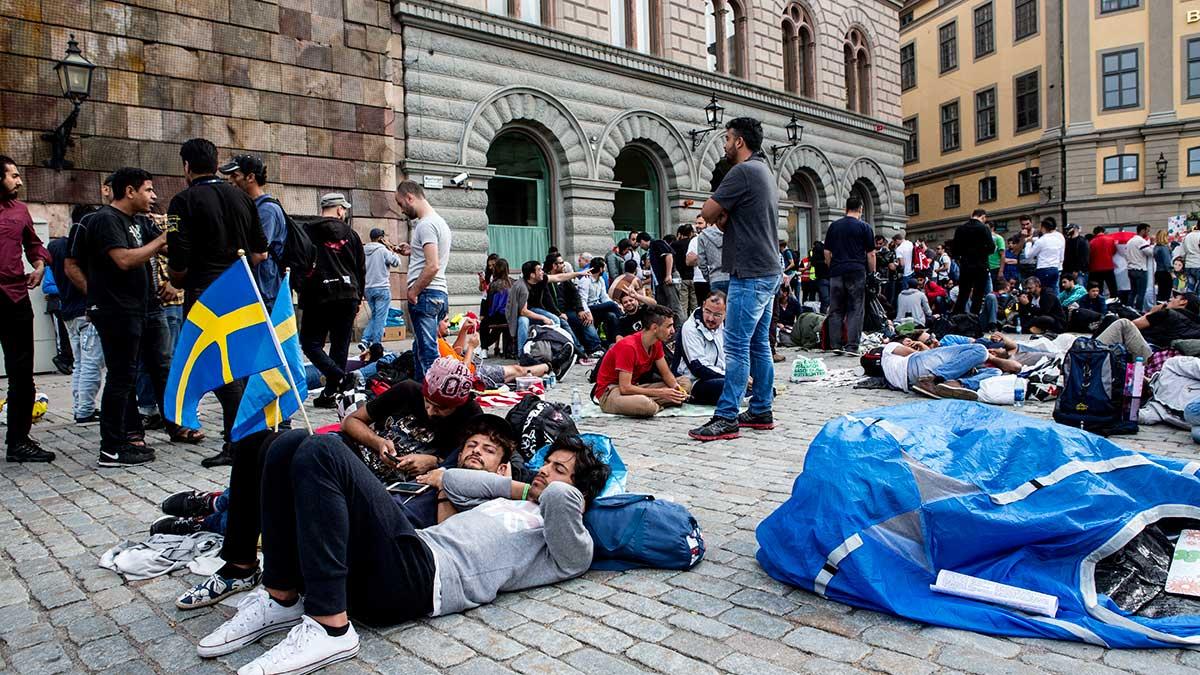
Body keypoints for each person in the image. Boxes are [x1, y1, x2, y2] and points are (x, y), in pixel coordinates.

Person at [196, 430, 608, 674]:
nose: (543, 471)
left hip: (420, 581)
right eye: (547, 462)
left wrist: (561, 490)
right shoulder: (518, 501)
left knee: (325, 450)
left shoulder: (570, 546)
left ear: (579, 493)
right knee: (282, 444)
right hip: (406, 551)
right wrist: (519, 488)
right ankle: (281, 596)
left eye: (558, 469)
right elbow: (453, 480)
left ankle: (331, 630)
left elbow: (561, 500)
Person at [167, 138, 269, 467]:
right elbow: (261, 252)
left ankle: (238, 442)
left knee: (221, 371)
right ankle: (249, 436)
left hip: (205, 295)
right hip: (241, 290)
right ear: (215, 163)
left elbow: (178, 263)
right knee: (241, 365)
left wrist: (179, 277)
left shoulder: (180, 202)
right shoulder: (242, 197)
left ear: (186, 166)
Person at [690, 117, 779, 442]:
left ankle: (727, 416)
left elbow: (708, 212)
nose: (725, 144)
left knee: (738, 344)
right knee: (759, 344)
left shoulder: (741, 172)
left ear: (739, 141)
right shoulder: (763, 171)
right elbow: (731, 223)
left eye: (727, 138)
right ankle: (761, 409)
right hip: (768, 269)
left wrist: (720, 212)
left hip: (751, 272)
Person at [84, 168, 173, 467]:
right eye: (148, 190)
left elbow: (167, 243)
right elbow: (123, 259)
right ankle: (111, 448)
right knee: (120, 379)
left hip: (133, 309)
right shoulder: (105, 220)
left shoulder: (136, 222)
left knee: (126, 377)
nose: (154, 196)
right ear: (130, 191)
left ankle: (120, 441)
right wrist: (158, 242)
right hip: (115, 311)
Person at [0, 155, 52, 462]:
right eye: (13, 176)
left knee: (21, 373)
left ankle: (18, 441)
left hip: (15, 297)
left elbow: (33, 245)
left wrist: (40, 264)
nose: (19, 181)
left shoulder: (20, 211)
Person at [301, 194, 366, 409]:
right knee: (340, 346)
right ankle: (337, 381)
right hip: (347, 294)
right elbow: (360, 268)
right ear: (339, 210)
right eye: (344, 210)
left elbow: (299, 261)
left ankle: (332, 389)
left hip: (317, 294)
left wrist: (299, 287)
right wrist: (358, 296)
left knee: (311, 343)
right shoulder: (352, 234)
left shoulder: (307, 231)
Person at [394, 180, 452, 383]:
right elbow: (432, 257)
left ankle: (435, 402)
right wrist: (413, 250)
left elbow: (432, 265)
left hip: (427, 294)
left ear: (410, 197)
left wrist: (413, 291)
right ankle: (420, 396)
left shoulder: (425, 224)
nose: (402, 210)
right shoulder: (439, 222)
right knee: (421, 349)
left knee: (428, 354)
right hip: (437, 294)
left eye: (401, 204)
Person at [593, 305, 691, 417]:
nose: (673, 331)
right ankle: (654, 404)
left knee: (685, 383)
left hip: (635, 388)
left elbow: (666, 374)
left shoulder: (656, 343)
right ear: (654, 327)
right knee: (646, 406)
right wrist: (662, 393)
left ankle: (655, 402)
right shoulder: (628, 346)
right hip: (611, 392)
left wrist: (676, 388)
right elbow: (625, 388)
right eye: (669, 326)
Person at [219, 155, 286, 309]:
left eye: (235, 175)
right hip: (253, 288)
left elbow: (259, 253)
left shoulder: (267, 210)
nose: (230, 180)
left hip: (263, 290)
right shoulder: (250, 206)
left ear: (250, 177)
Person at [862, 338, 1020, 401]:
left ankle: (956, 384)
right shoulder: (888, 348)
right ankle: (940, 379)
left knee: (995, 372)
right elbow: (915, 354)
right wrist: (923, 347)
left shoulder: (891, 373)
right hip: (918, 367)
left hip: (914, 379)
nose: (908, 342)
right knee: (979, 350)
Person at [65, 199, 105, 426]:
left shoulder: (59, 245)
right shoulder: (83, 246)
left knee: (80, 363)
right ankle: (85, 409)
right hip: (85, 311)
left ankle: (80, 407)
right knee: (92, 363)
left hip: (69, 310)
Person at [822, 197, 875, 354]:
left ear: (846, 209)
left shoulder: (834, 227)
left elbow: (827, 252)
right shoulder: (865, 227)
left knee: (836, 309)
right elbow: (871, 254)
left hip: (837, 272)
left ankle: (835, 345)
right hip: (857, 271)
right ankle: (852, 346)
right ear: (860, 209)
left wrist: (832, 266)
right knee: (855, 309)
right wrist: (872, 273)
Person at [544, 252, 600, 357]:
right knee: (567, 321)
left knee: (585, 317)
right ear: (554, 265)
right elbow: (548, 301)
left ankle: (595, 348)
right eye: (561, 263)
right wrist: (559, 313)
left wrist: (580, 310)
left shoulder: (565, 279)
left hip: (568, 310)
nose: (564, 265)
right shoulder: (546, 280)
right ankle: (579, 351)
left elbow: (576, 295)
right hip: (555, 313)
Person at [679, 292, 727, 406]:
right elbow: (699, 368)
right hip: (697, 381)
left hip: (722, 373)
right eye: (707, 311)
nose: (710, 318)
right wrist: (733, 377)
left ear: (725, 313)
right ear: (703, 305)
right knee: (724, 385)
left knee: (760, 377)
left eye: (717, 315)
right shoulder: (690, 328)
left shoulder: (725, 325)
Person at [361, 228, 402, 349]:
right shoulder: (383, 250)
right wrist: (392, 251)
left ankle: (365, 340)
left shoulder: (363, 251)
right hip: (382, 288)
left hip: (368, 289)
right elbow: (396, 263)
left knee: (375, 316)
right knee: (380, 318)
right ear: (381, 238)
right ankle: (376, 344)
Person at [950, 208, 995, 315]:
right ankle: (974, 319)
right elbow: (991, 248)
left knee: (963, 294)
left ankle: (957, 319)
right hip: (981, 265)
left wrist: (962, 259)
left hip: (965, 265)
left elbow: (955, 250)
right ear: (983, 217)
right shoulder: (984, 228)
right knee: (978, 295)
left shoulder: (960, 229)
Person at [577, 257, 622, 348]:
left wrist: (617, 305)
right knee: (612, 305)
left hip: (598, 306)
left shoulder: (600, 280)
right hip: (589, 308)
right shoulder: (586, 280)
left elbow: (604, 297)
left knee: (612, 316)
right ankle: (624, 320)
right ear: (601, 269)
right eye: (604, 268)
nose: (605, 270)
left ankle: (612, 342)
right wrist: (588, 313)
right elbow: (582, 300)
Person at [641, 231, 683, 327]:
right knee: (662, 306)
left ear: (643, 241)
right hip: (660, 282)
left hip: (667, 278)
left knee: (674, 304)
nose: (641, 247)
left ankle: (679, 328)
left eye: (640, 244)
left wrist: (668, 274)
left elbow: (669, 255)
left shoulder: (657, 243)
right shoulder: (651, 250)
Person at [1023, 217, 1065, 293]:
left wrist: (1028, 243)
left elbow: (1028, 255)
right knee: (1054, 290)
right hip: (1055, 268)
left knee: (1043, 291)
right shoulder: (1058, 239)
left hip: (1043, 268)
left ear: (1043, 228)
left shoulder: (1041, 240)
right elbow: (1061, 256)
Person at [696, 216, 728, 295]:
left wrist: (708, 277)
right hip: (733, 278)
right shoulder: (733, 232)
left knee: (717, 306)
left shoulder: (703, 236)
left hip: (715, 277)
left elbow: (701, 262)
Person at [685, 215, 710, 306]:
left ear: (708, 223)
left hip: (714, 278)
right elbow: (688, 261)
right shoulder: (694, 240)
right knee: (702, 306)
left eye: (700, 223)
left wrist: (698, 257)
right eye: (696, 223)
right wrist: (706, 256)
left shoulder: (716, 238)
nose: (697, 226)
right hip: (699, 279)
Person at [675, 224, 699, 318]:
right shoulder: (693, 242)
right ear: (691, 233)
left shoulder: (675, 244)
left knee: (683, 305)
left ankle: (683, 325)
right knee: (695, 305)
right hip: (694, 276)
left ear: (680, 233)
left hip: (682, 277)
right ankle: (695, 322)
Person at [1089, 227, 1119, 298]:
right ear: (1103, 231)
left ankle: (1099, 302)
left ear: (1094, 233)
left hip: (1096, 268)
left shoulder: (1092, 242)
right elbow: (1114, 251)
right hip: (1108, 266)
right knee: (1112, 287)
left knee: (1098, 289)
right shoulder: (1111, 240)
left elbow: (1090, 255)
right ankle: (1114, 301)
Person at [1063, 224, 1089, 289]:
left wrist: (1077, 270)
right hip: (1068, 271)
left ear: (1075, 229)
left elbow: (1084, 257)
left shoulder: (1082, 241)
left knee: (1080, 290)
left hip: (1079, 271)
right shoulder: (1067, 241)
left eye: (1069, 229)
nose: (1067, 231)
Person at [1155, 230, 1175, 302]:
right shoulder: (1164, 248)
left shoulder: (1156, 247)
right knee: (1166, 294)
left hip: (1158, 271)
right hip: (1165, 272)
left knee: (1160, 293)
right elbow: (1167, 262)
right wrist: (1171, 273)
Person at [1180, 224, 1200, 293]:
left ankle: (1189, 303)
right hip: (1198, 264)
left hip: (1189, 265)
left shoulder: (1187, 236)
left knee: (1190, 288)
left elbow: (1182, 253)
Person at [988, 221, 1007, 289]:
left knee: (998, 289)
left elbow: (1003, 255)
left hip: (996, 268)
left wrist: (1001, 271)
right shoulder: (983, 239)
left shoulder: (999, 238)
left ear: (992, 228)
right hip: (986, 268)